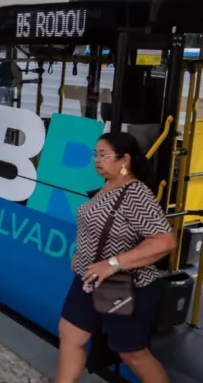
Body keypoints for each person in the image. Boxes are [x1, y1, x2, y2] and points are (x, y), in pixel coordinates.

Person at [56, 132, 176, 383]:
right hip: (88, 279)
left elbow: (165, 241)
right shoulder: (109, 185)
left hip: (122, 287)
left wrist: (112, 264)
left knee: (132, 354)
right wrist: (81, 256)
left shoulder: (135, 194)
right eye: (95, 155)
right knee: (70, 334)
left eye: (103, 155)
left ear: (125, 160)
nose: (96, 160)